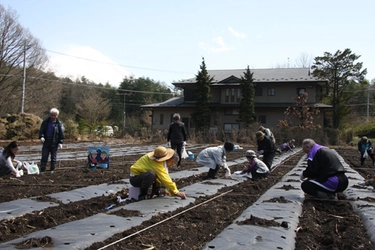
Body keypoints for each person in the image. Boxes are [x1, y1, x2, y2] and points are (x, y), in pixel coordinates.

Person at [39, 108, 65, 172]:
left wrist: (60, 142)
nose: (53, 117)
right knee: (44, 155)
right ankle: (42, 168)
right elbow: (41, 131)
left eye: (55, 115)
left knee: (53, 156)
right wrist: (41, 137)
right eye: (52, 115)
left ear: (57, 116)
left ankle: (52, 168)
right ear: (50, 115)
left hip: (54, 141)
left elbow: (61, 133)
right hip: (46, 141)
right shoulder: (45, 122)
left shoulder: (59, 123)